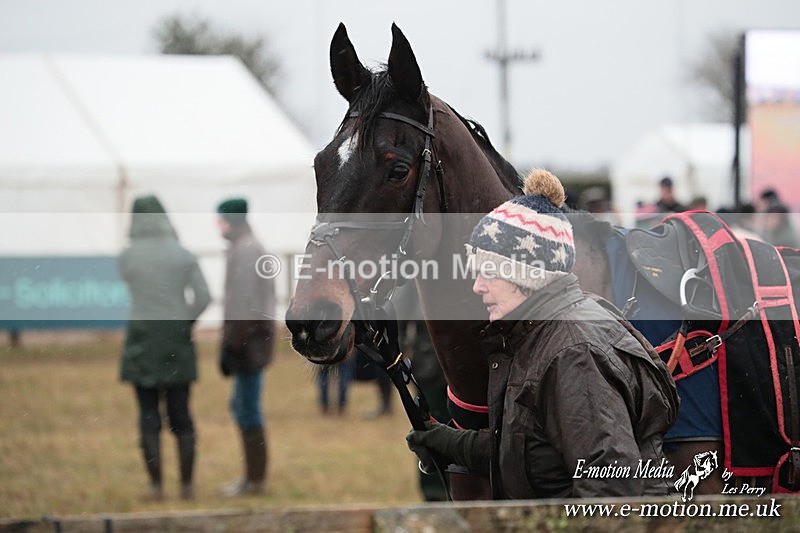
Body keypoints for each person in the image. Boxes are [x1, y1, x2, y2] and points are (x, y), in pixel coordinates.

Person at [406, 169, 680, 499]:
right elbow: (532, 451)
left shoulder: (576, 354)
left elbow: (610, 493)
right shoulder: (540, 331)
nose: (477, 286)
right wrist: (448, 442)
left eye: (489, 272)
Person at [118, 194, 210, 500]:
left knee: (147, 415)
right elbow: (204, 296)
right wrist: (184, 323)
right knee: (181, 415)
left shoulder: (128, 256)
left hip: (142, 343)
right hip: (176, 344)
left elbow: (128, 280)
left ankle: (156, 485)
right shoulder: (182, 254)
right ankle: (187, 485)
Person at [217, 198, 276, 496]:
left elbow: (241, 307)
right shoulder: (246, 247)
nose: (217, 225)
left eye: (221, 219)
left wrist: (231, 347)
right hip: (251, 342)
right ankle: (253, 477)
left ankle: (254, 479)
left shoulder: (245, 250)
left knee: (247, 410)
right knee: (243, 407)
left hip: (248, 344)